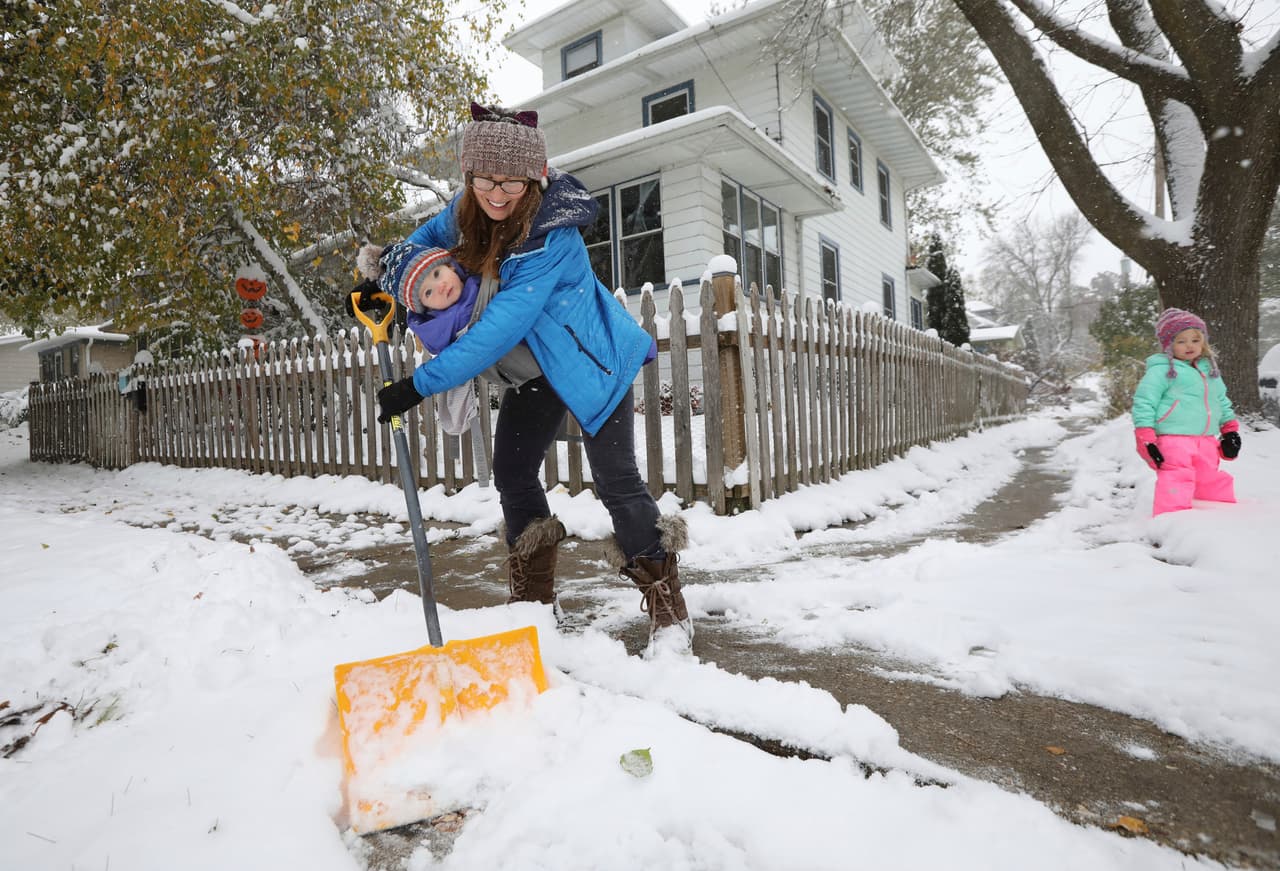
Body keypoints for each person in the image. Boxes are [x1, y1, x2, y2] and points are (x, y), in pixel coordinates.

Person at [363, 101, 692, 654]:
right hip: (536, 371)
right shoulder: (466, 210)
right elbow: (418, 246)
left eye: (512, 183)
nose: (497, 195)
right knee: (512, 472)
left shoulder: (551, 239)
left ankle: (668, 609)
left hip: (593, 364)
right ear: (470, 177)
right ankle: (537, 603)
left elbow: (492, 334)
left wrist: (416, 387)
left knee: (616, 483)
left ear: (535, 179)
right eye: (486, 180)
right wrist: (387, 275)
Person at [357, 241, 481, 435]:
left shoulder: (486, 277)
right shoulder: (443, 334)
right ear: (426, 309)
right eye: (428, 292)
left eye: (437, 273)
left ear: (449, 265)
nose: (440, 287)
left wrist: (413, 388)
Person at [1131, 307, 1241, 516]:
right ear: (1169, 345)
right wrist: (1145, 436)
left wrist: (1230, 430)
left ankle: (1220, 516)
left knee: (1209, 477)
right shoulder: (1161, 371)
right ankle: (1172, 521)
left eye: (1195, 340)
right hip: (1173, 439)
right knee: (1176, 478)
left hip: (1206, 439)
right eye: (1181, 341)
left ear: (1204, 342)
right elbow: (1144, 402)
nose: (1189, 346)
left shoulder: (1210, 370)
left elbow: (1220, 399)